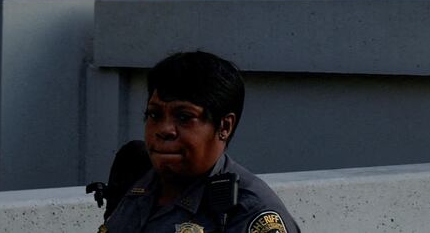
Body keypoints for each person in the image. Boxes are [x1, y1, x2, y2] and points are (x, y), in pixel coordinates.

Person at [104, 50, 299, 233]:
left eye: (184, 117)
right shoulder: (137, 176)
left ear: (224, 127)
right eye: (154, 114)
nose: (164, 130)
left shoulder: (248, 212)